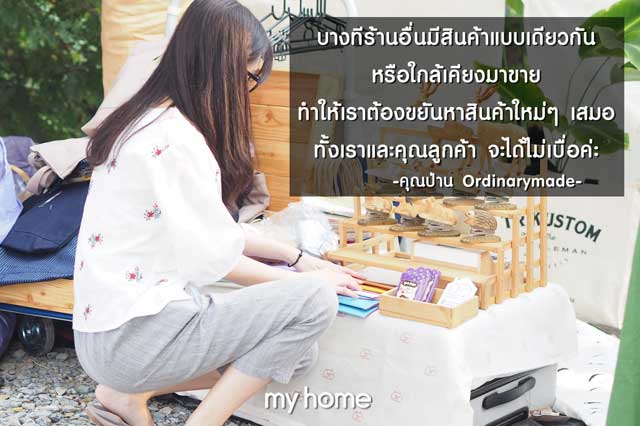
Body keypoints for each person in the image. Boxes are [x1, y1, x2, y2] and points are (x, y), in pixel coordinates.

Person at [73, 1, 361, 425]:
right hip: (133, 336)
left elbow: (214, 231)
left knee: (295, 353)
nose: (247, 91)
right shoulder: (175, 139)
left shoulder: (141, 119)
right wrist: (308, 283)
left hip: (104, 335)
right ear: (221, 68)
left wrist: (297, 257)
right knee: (315, 303)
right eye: (249, 77)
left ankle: (125, 395)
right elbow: (216, 260)